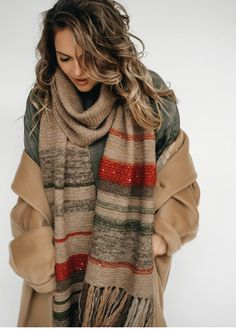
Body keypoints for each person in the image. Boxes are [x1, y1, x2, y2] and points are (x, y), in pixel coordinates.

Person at [9, 0, 200, 327]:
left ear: (108, 45)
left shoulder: (149, 95)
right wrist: (42, 258)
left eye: (88, 57)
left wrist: (158, 240)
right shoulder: (42, 101)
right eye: (65, 58)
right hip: (60, 271)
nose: (77, 71)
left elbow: (179, 181)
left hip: (129, 277)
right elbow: (32, 192)